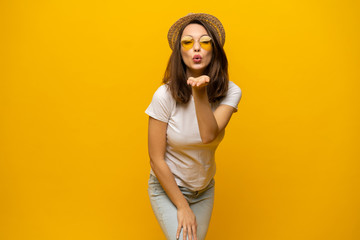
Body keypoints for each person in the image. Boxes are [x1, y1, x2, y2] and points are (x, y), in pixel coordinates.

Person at [145, 12, 242, 240]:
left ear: (214, 50)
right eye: (187, 42)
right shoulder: (164, 95)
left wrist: (200, 92)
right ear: (180, 52)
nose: (196, 48)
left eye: (205, 41)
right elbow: (156, 158)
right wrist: (182, 206)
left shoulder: (231, 91)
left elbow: (208, 134)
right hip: (168, 189)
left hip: (204, 190)